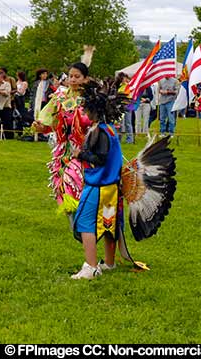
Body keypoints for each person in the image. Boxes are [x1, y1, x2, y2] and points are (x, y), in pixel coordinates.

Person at [70, 82, 127, 279]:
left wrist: (80, 155)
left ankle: (91, 266)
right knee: (109, 224)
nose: (84, 111)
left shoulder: (101, 131)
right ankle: (109, 263)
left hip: (98, 187)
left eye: (86, 108)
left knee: (85, 223)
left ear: (95, 110)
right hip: (111, 188)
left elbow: (100, 159)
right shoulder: (109, 129)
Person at [32, 62, 92, 220]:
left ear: (86, 79)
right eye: (70, 76)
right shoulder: (61, 98)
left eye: (77, 76)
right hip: (63, 151)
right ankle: (78, 225)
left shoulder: (91, 99)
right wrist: (41, 127)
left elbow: (94, 123)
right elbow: (53, 124)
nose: (72, 79)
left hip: (84, 150)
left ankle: (84, 224)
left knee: (76, 182)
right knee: (64, 188)